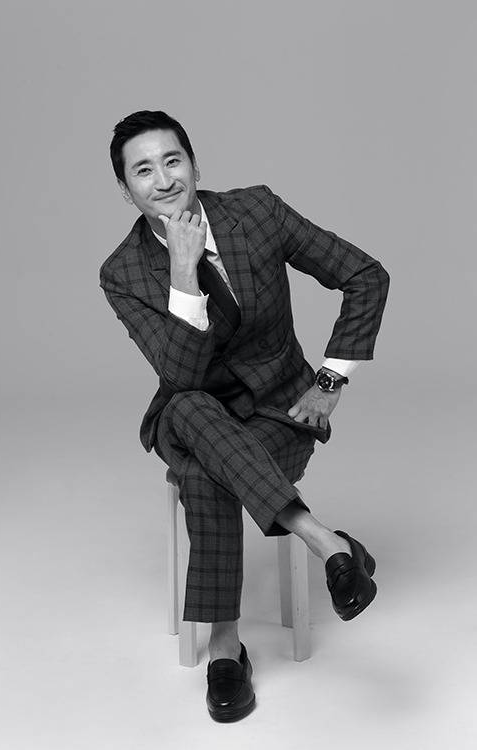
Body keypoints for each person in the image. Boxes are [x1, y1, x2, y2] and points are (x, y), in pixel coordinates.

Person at [99, 109, 390, 723]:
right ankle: (327, 543)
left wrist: (329, 381)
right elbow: (181, 376)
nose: (164, 180)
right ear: (125, 190)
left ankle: (226, 651)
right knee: (190, 405)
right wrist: (183, 272)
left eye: (173, 160)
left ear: (194, 164)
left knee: (204, 474)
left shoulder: (255, 211)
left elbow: (365, 276)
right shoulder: (122, 273)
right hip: (191, 411)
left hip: (279, 411)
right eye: (143, 171)